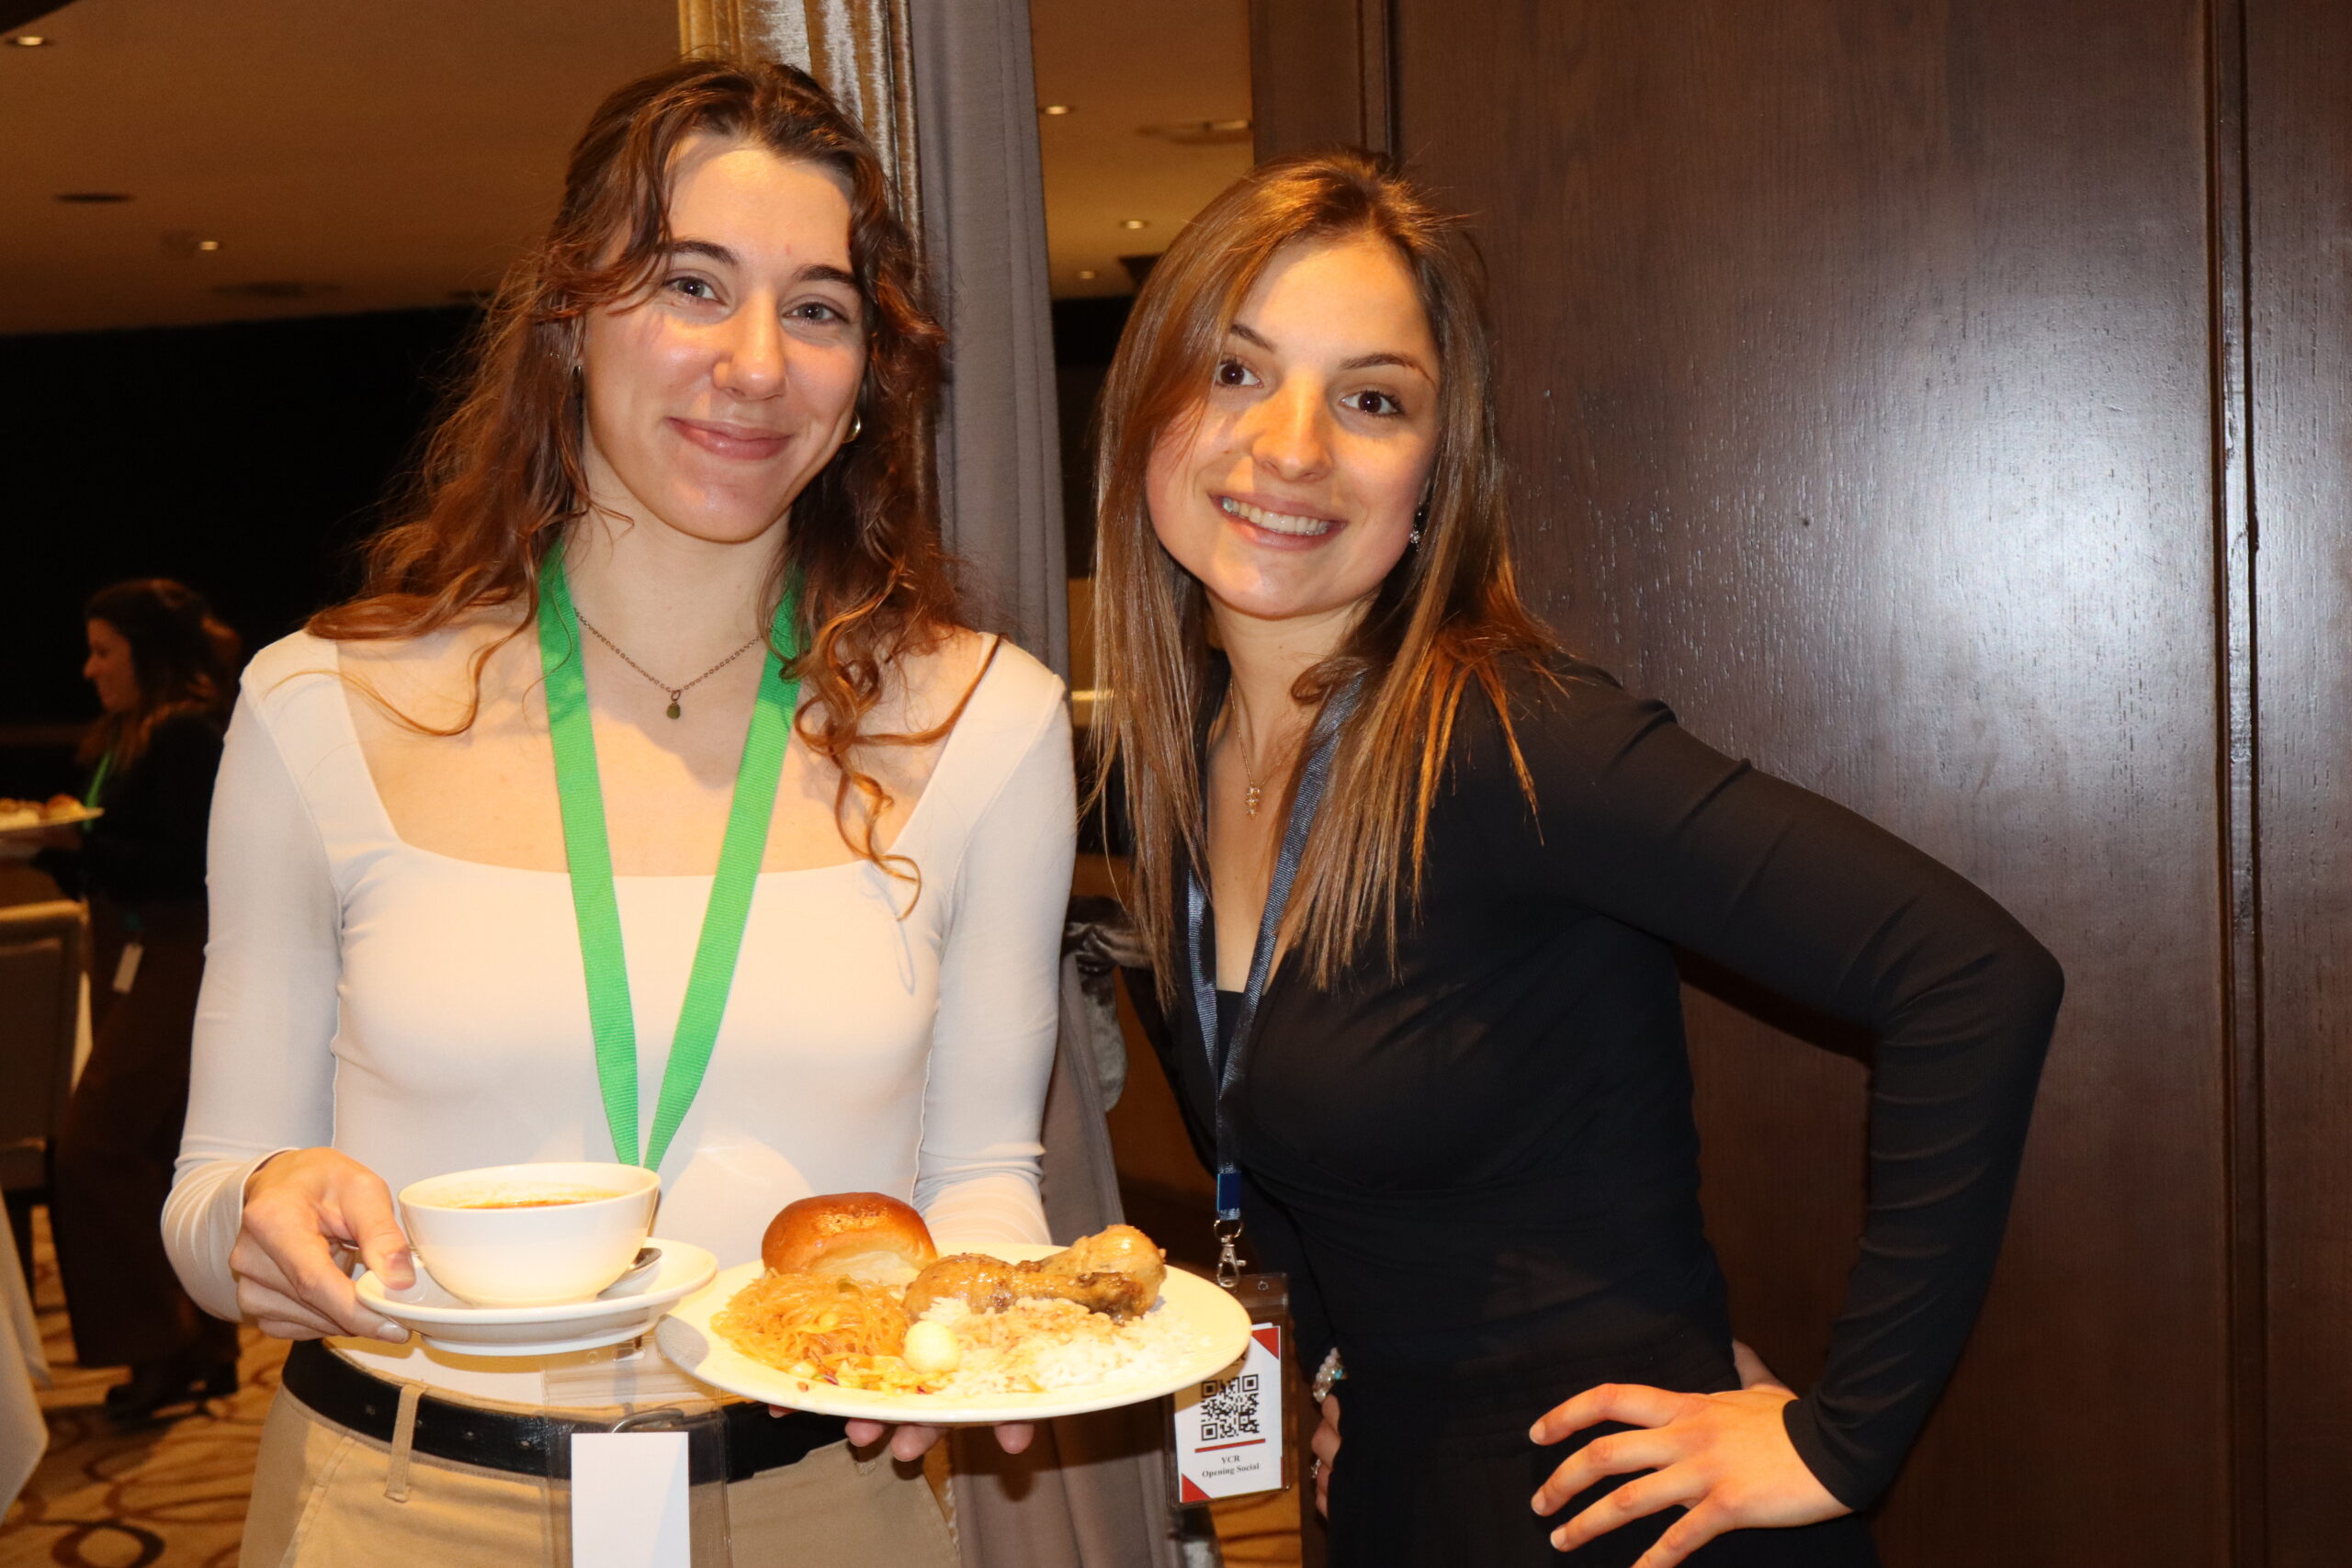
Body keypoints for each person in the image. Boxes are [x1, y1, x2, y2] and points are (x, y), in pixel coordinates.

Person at [1089, 149, 2064, 1567]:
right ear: (1148, 410)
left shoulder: (1506, 737)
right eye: (1239, 371)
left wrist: (1840, 1436)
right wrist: (1334, 1373)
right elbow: (1288, 1152)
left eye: (1372, 399)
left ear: (1434, 473)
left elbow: (1974, 974)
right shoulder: (1171, 777)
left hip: (1622, 1524)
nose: (1292, 446)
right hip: (1400, 1503)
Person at [162, 58, 1072, 1567]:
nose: (759, 361)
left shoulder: (989, 724)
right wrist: (259, 1204)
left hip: (823, 1505)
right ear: (570, 322)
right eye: (692, 285)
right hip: (401, 1503)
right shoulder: (318, 707)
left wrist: (981, 1316)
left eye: (821, 308)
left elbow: (980, 1169)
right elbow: (208, 1204)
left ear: (866, 388)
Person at [18, 580, 244, 1419]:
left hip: (176, 953)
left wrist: (79, 841)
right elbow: (117, 859)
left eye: (103, 650)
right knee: (154, 1153)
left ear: (144, 655)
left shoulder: (186, 734)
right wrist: (68, 849)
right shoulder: (124, 734)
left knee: (94, 1149)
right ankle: (208, 1343)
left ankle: (163, 1344)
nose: (88, 668)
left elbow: (188, 864)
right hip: (130, 949)